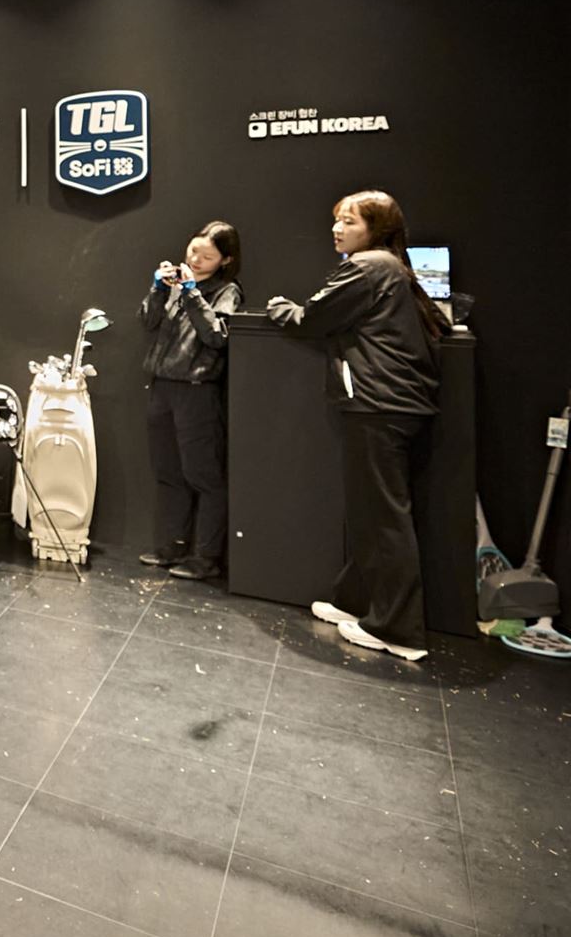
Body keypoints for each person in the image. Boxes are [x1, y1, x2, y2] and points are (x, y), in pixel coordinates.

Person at [266, 190, 444, 662]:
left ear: (376, 229)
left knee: (383, 516)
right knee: (370, 512)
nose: (337, 228)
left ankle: (398, 629)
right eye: (337, 220)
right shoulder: (391, 267)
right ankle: (355, 601)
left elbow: (312, 317)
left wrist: (281, 307)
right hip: (390, 403)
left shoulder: (367, 267)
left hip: (378, 403)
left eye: (349, 221)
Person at [137, 221, 243, 581]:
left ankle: (206, 557)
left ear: (225, 260)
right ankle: (172, 546)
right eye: (194, 250)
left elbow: (217, 336)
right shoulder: (175, 284)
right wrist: (157, 288)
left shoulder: (226, 291)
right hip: (162, 386)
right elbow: (147, 321)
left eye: (207, 256)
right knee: (168, 472)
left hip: (197, 390)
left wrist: (192, 293)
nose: (196, 259)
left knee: (204, 475)